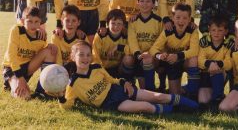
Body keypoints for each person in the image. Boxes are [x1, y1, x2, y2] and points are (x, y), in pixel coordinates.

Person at [56, 40, 199, 114]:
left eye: (88, 54)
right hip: (111, 103)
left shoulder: (97, 68)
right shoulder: (73, 84)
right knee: (146, 106)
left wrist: (124, 82)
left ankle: (196, 107)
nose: (86, 58)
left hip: (119, 90)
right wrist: (61, 96)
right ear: (73, 57)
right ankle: (175, 110)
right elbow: (67, 105)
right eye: (81, 55)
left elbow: (113, 80)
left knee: (158, 96)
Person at [2, 7, 57, 100]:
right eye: (30, 21)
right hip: (12, 68)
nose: (33, 25)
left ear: (40, 23)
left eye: (36, 22)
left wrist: (50, 45)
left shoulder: (41, 36)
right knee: (25, 97)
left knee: (50, 52)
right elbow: (11, 56)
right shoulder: (16, 30)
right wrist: (20, 78)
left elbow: (42, 52)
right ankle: (11, 83)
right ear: (23, 21)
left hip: (27, 67)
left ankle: (41, 90)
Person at [149, 3, 199, 94]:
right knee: (175, 94)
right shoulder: (168, 31)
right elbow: (153, 49)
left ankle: (193, 93)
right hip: (171, 63)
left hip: (183, 60)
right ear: (172, 18)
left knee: (194, 59)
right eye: (178, 17)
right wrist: (160, 56)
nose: (181, 21)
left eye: (185, 18)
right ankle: (151, 91)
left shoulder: (193, 31)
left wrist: (178, 56)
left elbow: (195, 50)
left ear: (189, 20)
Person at [128, 0, 163, 91]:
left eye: (148, 1)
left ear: (153, 4)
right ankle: (131, 85)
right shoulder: (133, 21)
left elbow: (161, 40)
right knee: (144, 89)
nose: (144, 4)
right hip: (138, 55)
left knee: (147, 60)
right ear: (138, 3)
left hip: (153, 56)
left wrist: (151, 54)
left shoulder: (158, 20)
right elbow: (132, 40)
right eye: (142, 1)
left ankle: (154, 90)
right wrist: (138, 54)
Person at [198, 17, 232, 109]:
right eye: (213, 30)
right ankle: (219, 95)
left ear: (226, 31)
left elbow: (229, 64)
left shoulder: (227, 46)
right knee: (203, 101)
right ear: (209, 29)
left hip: (220, 74)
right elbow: (200, 61)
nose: (216, 33)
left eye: (220, 30)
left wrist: (218, 64)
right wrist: (209, 63)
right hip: (205, 75)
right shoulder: (204, 44)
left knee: (216, 70)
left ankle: (217, 98)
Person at [92, 9, 134, 81]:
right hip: (103, 69)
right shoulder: (101, 35)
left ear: (123, 25)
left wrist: (119, 47)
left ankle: (128, 81)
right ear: (107, 24)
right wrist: (101, 72)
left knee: (129, 59)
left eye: (119, 24)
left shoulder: (126, 36)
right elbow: (95, 56)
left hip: (119, 69)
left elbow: (133, 51)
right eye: (113, 23)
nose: (116, 27)